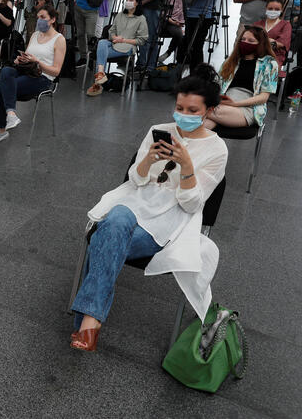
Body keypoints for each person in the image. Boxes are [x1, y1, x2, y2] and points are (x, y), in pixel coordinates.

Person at [69, 65, 228, 352]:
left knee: (106, 236)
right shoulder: (159, 131)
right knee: (116, 218)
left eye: (193, 110)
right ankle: (90, 325)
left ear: (209, 111)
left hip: (168, 222)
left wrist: (188, 167)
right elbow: (135, 179)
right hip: (134, 204)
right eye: (179, 107)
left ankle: (88, 323)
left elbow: (192, 203)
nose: (184, 115)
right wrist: (147, 160)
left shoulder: (217, 150)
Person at [0, 4, 66, 144]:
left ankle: (1, 129)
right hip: (27, 70)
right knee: (6, 70)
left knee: (2, 88)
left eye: (43, 17)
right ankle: (11, 114)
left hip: (43, 77)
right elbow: (28, 56)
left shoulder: (59, 40)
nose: (39, 20)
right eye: (38, 17)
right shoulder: (34, 35)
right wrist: (20, 59)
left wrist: (38, 62)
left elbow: (56, 71)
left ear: (52, 19)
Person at [204, 26, 278, 129]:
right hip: (224, 102)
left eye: (251, 41)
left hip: (249, 107)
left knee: (200, 110)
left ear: (260, 44)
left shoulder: (269, 63)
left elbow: (263, 98)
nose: (245, 42)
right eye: (243, 39)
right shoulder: (232, 60)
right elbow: (217, 84)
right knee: (203, 124)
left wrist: (235, 104)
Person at [86, 0, 148, 97]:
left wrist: (123, 40)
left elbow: (142, 40)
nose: (128, 2)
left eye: (131, 0)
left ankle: (98, 82)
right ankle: (100, 76)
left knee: (101, 51)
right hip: (114, 43)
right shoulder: (120, 15)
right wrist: (115, 38)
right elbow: (111, 31)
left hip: (128, 47)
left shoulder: (141, 19)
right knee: (102, 42)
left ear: (137, 3)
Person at [253, 0, 291, 76]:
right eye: (270, 8)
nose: (273, 11)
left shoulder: (286, 25)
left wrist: (261, 41)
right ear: (266, 9)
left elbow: (281, 44)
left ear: (282, 10)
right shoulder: (257, 24)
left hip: (274, 58)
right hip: (255, 56)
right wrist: (270, 41)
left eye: (277, 9)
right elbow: (251, 40)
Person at [156, 0, 185, 64]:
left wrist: (180, 23)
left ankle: (169, 53)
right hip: (166, 21)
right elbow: (161, 12)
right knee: (179, 33)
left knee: (182, 35)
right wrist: (172, 21)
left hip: (178, 23)